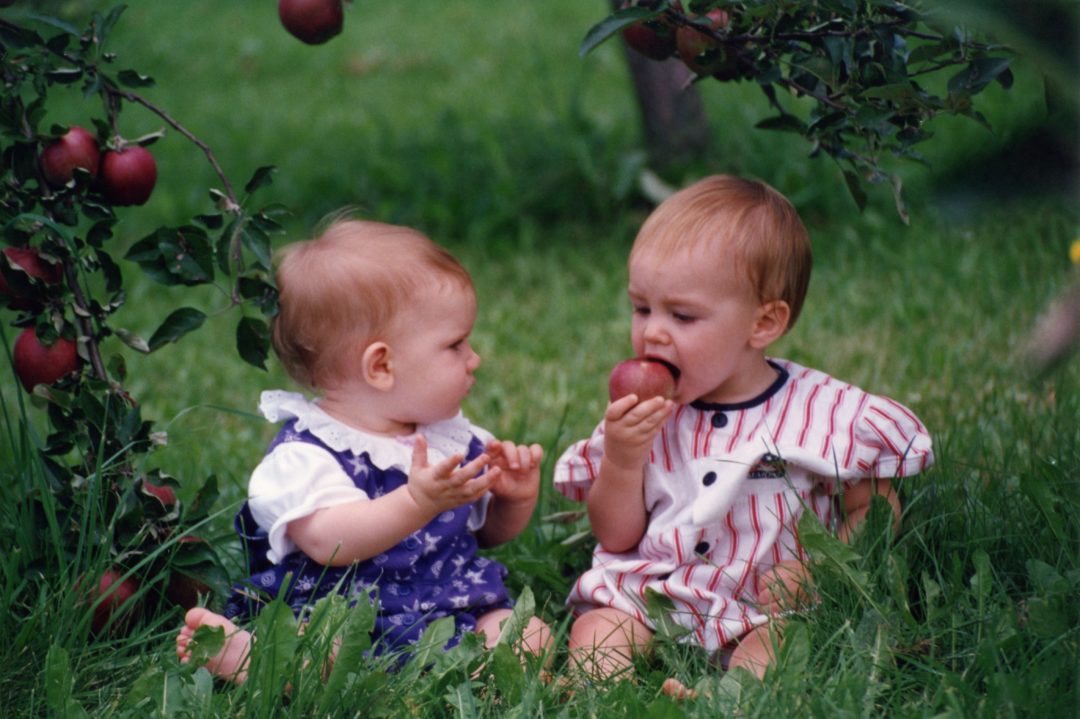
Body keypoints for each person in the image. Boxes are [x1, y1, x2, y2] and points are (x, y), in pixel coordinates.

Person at [554, 175, 933, 694]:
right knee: (599, 628)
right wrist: (622, 460)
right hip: (656, 593)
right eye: (642, 308)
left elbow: (875, 506)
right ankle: (595, 694)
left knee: (773, 648)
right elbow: (616, 537)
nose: (653, 331)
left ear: (763, 323)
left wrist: (821, 567)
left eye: (682, 315)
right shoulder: (640, 416)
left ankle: (724, 701)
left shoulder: (823, 415)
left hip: (766, 602)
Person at [176, 217, 551, 683]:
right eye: (455, 345)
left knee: (530, 636)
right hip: (344, 612)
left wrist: (513, 499)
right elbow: (331, 542)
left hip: (452, 607)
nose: (475, 359)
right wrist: (416, 502)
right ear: (380, 366)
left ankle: (456, 671)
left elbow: (482, 533)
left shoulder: (447, 436)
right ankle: (261, 661)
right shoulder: (308, 454)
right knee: (327, 650)